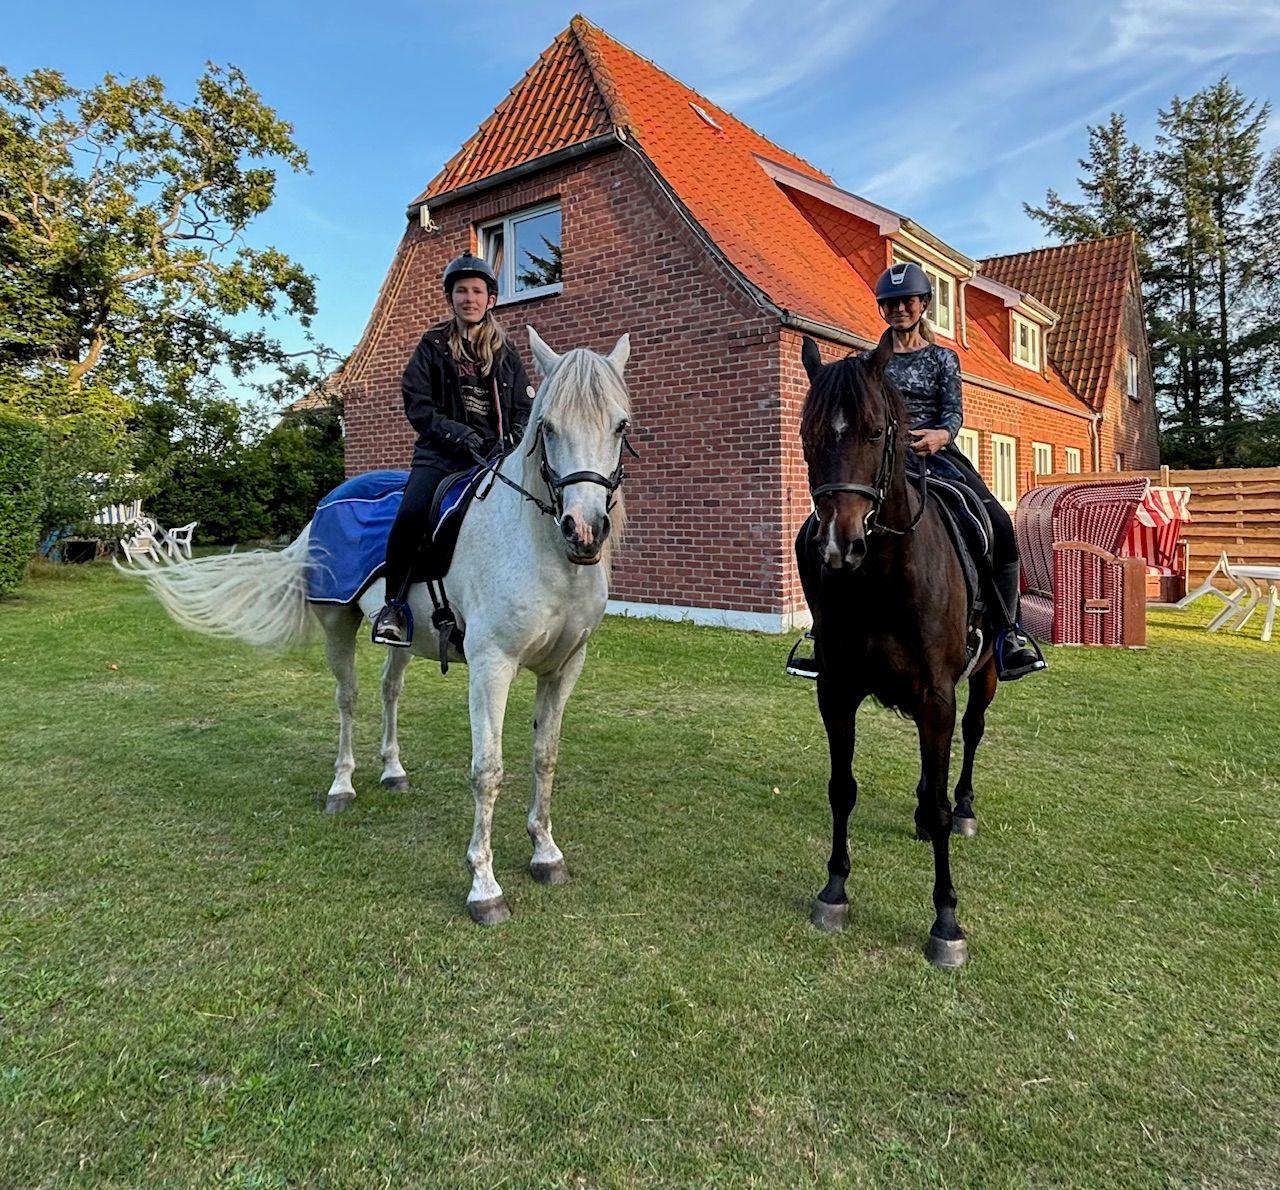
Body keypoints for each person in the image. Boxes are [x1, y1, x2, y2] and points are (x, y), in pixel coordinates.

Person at [794, 261, 1045, 681]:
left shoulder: (942, 358)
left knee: (999, 524)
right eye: (890, 303)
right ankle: (822, 634)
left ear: (923, 304)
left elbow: (953, 413)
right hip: (882, 462)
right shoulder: (869, 362)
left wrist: (940, 437)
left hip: (936, 457)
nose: (899, 309)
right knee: (811, 533)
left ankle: (1008, 634)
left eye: (907, 301)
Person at [371, 252, 534, 647]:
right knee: (411, 514)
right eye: (461, 291)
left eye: (477, 291)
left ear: (490, 299)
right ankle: (393, 607)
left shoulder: (506, 352)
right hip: (441, 456)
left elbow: (526, 408)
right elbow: (418, 403)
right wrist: (457, 434)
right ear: (451, 298)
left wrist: (511, 437)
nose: (469, 298)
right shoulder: (432, 346)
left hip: (493, 459)